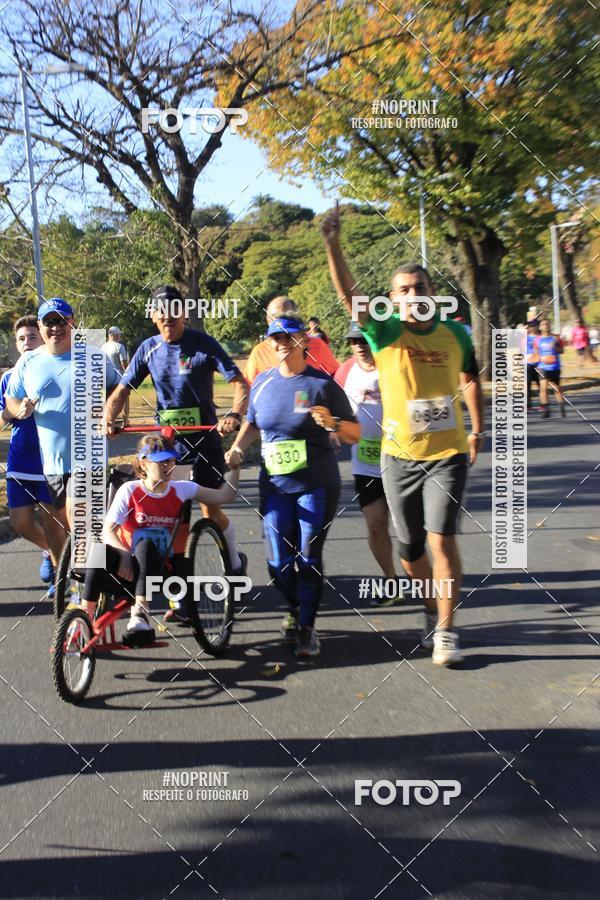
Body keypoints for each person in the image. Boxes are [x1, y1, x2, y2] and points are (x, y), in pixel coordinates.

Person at [322, 203, 484, 666]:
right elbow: (351, 298)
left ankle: (448, 630)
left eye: (420, 288)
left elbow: (470, 378)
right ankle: (432, 608)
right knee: (410, 550)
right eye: (404, 290)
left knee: (441, 541)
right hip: (397, 458)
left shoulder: (455, 334)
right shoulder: (385, 333)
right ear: (393, 300)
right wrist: (333, 244)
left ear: (433, 293)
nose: (413, 295)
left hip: (447, 453)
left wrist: (477, 429)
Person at [103, 285, 249, 623]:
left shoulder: (203, 343)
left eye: (173, 310)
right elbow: (122, 389)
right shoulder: (147, 348)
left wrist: (234, 415)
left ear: (184, 312)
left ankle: (236, 563)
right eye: (160, 311)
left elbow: (240, 384)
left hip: (206, 442)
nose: (167, 316)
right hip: (167, 450)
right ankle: (179, 597)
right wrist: (109, 419)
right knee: (173, 518)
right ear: (153, 317)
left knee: (211, 511)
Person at [225, 314, 360, 658]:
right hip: (275, 485)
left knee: (309, 556)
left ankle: (306, 627)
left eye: (289, 337)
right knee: (277, 562)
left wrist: (332, 422)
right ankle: (296, 607)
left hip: (316, 484)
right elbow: (254, 423)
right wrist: (239, 446)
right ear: (269, 343)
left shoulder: (322, 384)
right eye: (276, 338)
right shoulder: (263, 383)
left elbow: (354, 432)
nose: (283, 343)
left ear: (303, 341)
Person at [82, 434, 240, 633]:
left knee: (146, 545)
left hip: (160, 565)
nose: (169, 466)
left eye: (172, 461)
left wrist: (234, 468)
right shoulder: (129, 490)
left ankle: (140, 613)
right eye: (162, 462)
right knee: (99, 552)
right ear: (144, 464)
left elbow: (225, 495)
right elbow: (108, 530)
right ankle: (84, 614)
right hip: (125, 562)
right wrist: (122, 554)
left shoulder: (182, 489)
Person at [4, 298, 119, 558]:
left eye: (62, 321)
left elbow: (118, 386)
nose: (56, 327)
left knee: (79, 518)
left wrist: (112, 415)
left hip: (89, 458)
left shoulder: (92, 354)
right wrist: (18, 408)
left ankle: (88, 587)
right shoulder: (29, 362)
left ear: (72, 323)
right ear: (41, 327)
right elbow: (11, 400)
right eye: (49, 322)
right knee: (59, 526)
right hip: (52, 464)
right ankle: (86, 575)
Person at [334, 321, 399, 605]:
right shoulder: (346, 371)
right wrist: (332, 430)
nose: (359, 346)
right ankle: (391, 582)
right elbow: (333, 405)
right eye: (353, 341)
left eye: (363, 340)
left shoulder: (393, 364)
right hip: (365, 461)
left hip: (402, 459)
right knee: (375, 524)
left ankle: (425, 579)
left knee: (410, 528)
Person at [0, 315, 64, 588]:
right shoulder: (8, 377)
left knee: (53, 520)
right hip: (21, 456)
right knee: (21, 522)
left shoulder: (57, 368)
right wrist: (16, 411)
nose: (27, 343)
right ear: (16, 344)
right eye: (22, 339)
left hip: (51, 457)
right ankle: (53, 553)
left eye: (32, 337)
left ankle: (65, 580)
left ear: (43, 336)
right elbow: (3, 414)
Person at [239, 297, 339, 393]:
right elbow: (248, 387)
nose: (281, 321)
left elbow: (336, 377)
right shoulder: (259, 352)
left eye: (287, 315)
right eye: (275, 316)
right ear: (267, 319)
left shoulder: (317, 345)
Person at [535, 318, 565, 418]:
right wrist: (540, 359)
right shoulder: (537, 339)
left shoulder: (555, 338)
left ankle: (561, 407)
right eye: (543, 324)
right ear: (540, 327)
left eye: (547, 324)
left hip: (555, 367)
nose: (545, 326)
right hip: (543, 367)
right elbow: (536, 353)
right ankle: (545, 410)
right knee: (543, 388)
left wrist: (555, 348)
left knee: (556, 389)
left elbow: (562, 351)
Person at [101, 326, 130, 426]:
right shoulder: (119, 346)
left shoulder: (103, 347)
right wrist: (128, 375)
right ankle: (125, 422)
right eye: (119, 334)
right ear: (116, 335)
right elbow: (123, 363)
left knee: (108, 400)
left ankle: (108, 422)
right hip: (119, 378)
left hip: (107, 378)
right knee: (125, 399)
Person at [526, 320, 540, 411]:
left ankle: (543, 403)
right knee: (527, 384)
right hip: (528, 364)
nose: (532, 327)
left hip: (539, 364)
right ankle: (528, 404)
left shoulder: (540, 337)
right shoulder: (525, 338)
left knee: (540, 384)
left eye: (534, 326)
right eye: (530, 326)